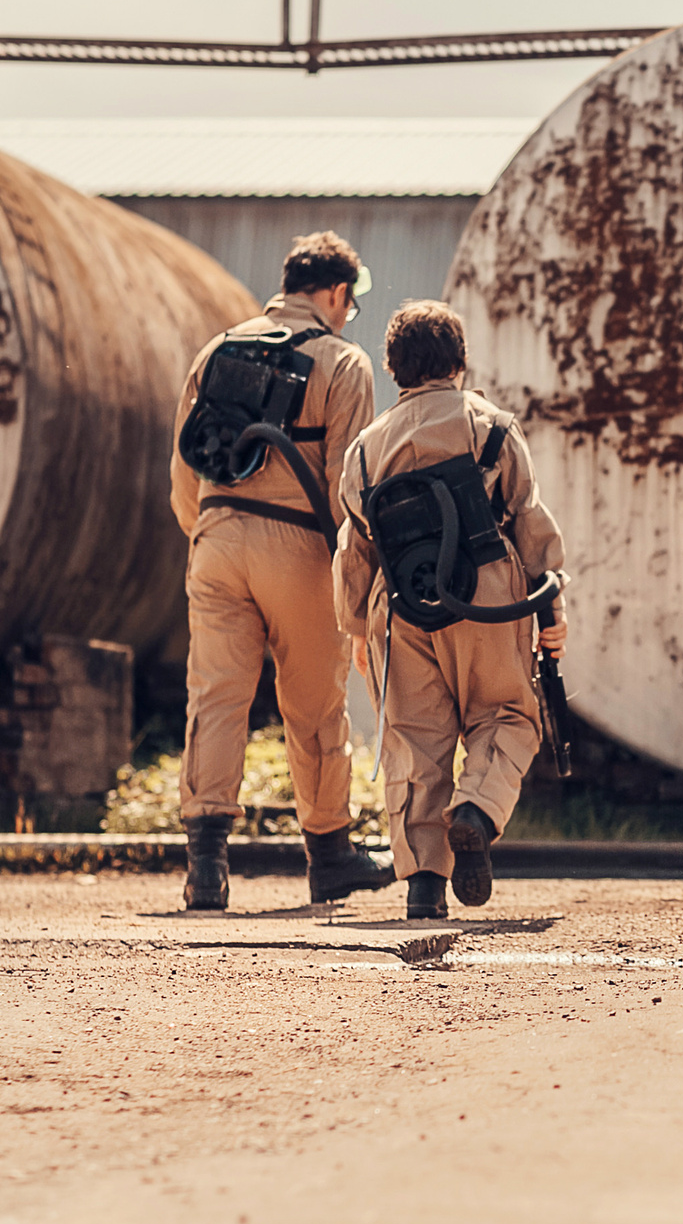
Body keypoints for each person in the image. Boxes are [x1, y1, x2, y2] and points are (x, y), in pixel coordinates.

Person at [171, 230, 393, 911]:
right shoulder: (343, 361)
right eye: (349, 302)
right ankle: (329, 856)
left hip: (214, 537)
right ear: (333, 293)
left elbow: (185, 471)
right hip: (297, 547)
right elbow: (345, 486)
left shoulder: (217, 349)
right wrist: (353, 582)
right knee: (314, 704)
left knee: (215, 696)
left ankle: (206, 868)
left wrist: (210, 532)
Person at [333, 301, 568, 918]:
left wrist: (356, 627)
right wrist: (552, 609)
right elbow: (528, 517)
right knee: (508, 716)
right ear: (459, 361)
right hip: (488, 589)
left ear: (393, 368)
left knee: (414, 744)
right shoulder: (489, 425)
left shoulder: (363, 452)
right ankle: (476, 811)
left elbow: (353, 548)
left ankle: (423, 888)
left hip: (403, 604)